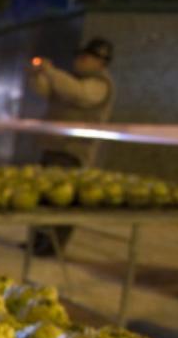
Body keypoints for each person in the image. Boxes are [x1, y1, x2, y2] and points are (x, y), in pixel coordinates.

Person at [26, 37, 116, 255]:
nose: (81, 60)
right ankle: (37, 240)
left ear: (101, 63)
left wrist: (51, 72)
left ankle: (53, 246)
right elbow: (44, 90)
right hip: (54, 146)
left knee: (63, 199)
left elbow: (78, 93)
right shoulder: (69, 80)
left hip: (72, 150)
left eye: (88, 57)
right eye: (81, 56)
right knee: (44, 196)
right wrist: (38, 74)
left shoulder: (100, 84)